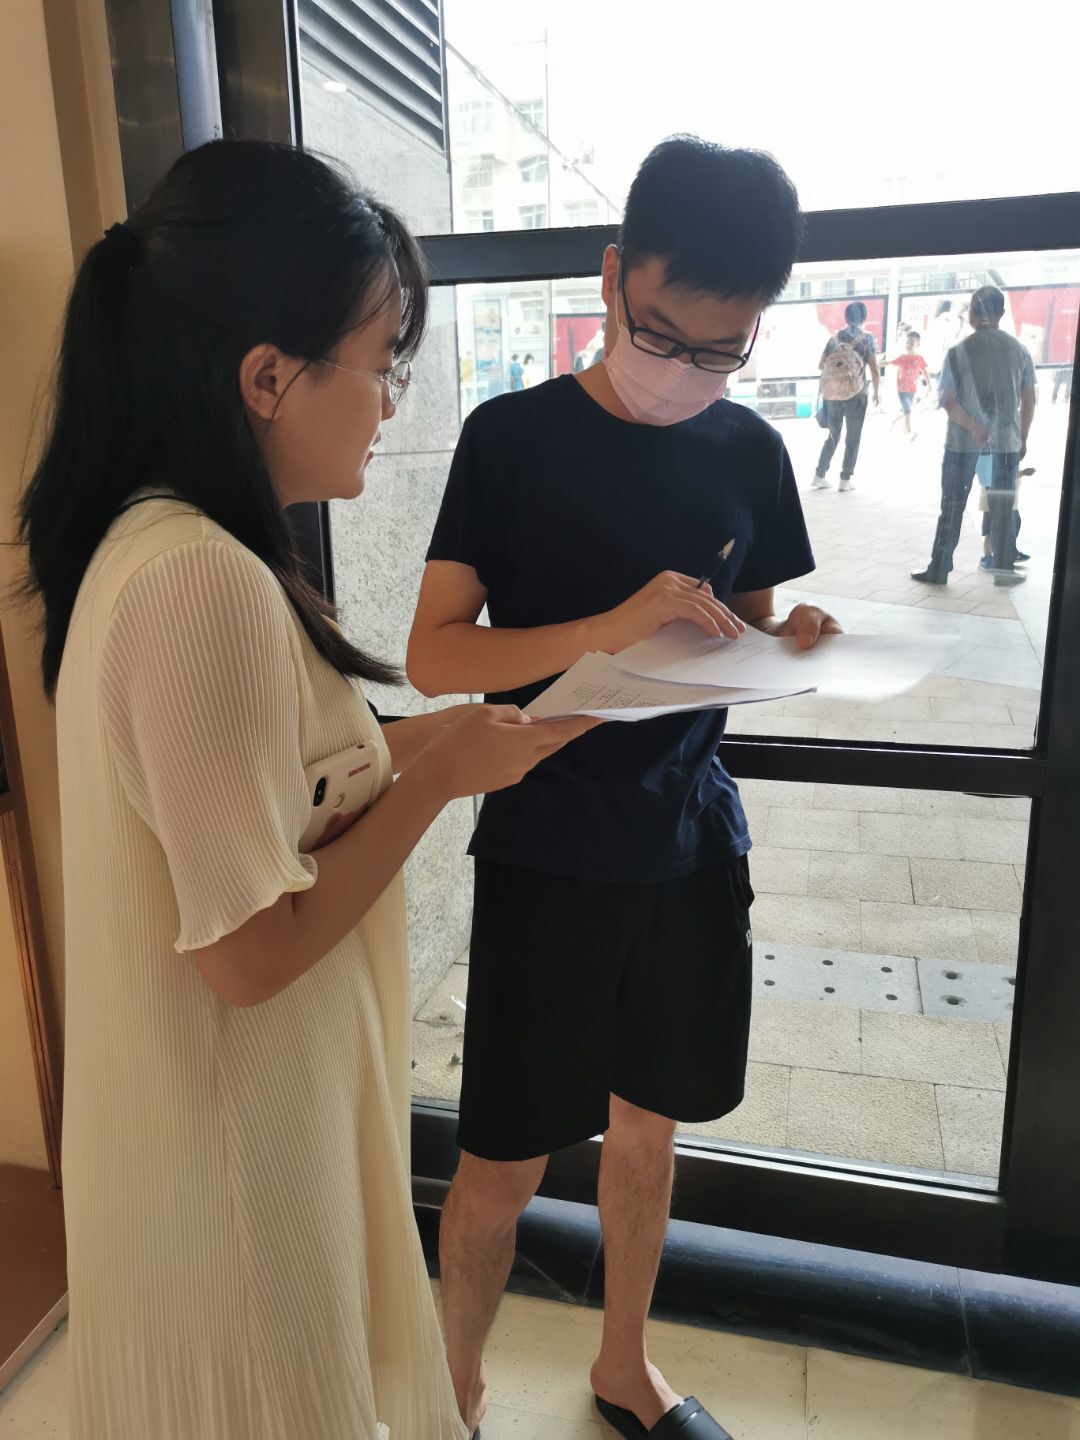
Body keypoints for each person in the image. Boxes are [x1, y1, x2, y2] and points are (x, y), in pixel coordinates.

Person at [19, 139, 596, 1440]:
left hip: (235, 1141)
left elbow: (269, 797)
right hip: (234, 1174)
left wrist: (434, 749)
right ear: (269, 378)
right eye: (382, 359)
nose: (391, 401)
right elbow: (246, 952)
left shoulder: (179, 548)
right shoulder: (198, 580)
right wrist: (436, 781)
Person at [407, 136, 839, 1439]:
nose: (685, 370)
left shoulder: (749, 450)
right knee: (502, 1161)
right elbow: (437, 656)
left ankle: (623, 1365)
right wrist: (603, 630)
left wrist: (795, 644)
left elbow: (745, 640)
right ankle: (456, 1390)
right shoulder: (511, 439)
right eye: (662, 334)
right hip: (546, 847)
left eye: (722, 349)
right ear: (611, 278)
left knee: (650, 1131)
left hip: (688, 841)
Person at [912, 284, 1037, 589]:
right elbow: (1029, 397)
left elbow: (947, 400)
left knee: (952, 506)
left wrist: (972, 427)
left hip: (961, 446)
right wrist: (1022, 436)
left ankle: (939, 569)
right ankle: (1004, 570)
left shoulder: (958, 351)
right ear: (1002, 313)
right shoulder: (1019, 350)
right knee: (1002, 508)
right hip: (1006, 445)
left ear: (970, 314)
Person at [811, 299, 881, 492]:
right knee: (853, 437)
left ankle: (819, 475)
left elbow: (821, 365)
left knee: (833, 435)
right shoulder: (867, 339)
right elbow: (874, 368)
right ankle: (845, 479)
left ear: (846, 317)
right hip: (857, 394)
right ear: (864, 317)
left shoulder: (834, 339)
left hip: (833, 395)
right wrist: (876, 391)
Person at [884, 328, 931, 438]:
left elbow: (925, 371)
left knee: (905, 412)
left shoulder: (919, 359)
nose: (908, 344)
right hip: (901, 390)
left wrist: (929, 385)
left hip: (912, 389)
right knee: (908, 411)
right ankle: (909, 434)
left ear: (918, 344)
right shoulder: (902, 358)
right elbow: (888, 363)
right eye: (907, 342)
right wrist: (875, 363)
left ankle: (896, 424)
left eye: (911, 342)